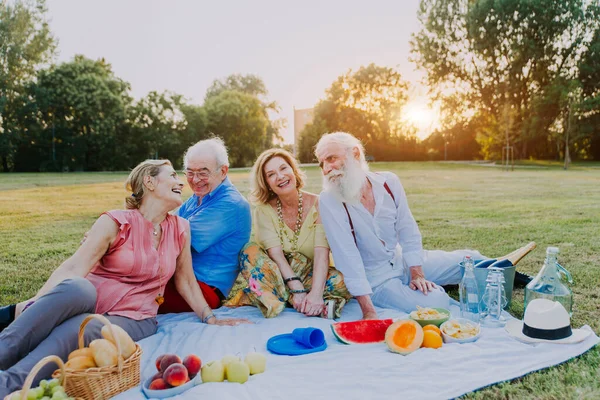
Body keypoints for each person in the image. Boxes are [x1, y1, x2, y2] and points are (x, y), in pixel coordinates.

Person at [0, 159, 248, 398]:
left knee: (87, 326)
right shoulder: (114, 221)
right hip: (93, 297)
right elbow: (74, 267)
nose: (181, 182)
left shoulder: (181, 228)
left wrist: (210, 317)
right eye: (172, 175)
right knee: (78, 287)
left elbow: (185, 280)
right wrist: (37, 302)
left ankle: (8, 383)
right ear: (149, 182)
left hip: (135, 316)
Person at [315, 132, 530, 320]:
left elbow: (407, 229)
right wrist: (368, 310)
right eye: (321, 163)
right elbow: (347, 257)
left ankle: (515, 277)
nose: (326, 169)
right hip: (379, 281)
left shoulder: (388, 182)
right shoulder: (329, 200)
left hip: (404, 261)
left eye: (331, 159)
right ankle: (447, 285)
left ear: (355, 154)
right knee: (436, 303)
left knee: (469, 258)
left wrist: (417, 272)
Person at [225, 149, 352, 318]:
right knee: (250, 252)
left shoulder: (321, 203)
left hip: (310, 274)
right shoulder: (263, 210)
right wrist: (297, 289)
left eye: (284, 168)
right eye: (271, 174)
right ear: (266, 183)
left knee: (341, 280)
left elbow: (322, 252)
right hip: (277, 273)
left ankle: (281, 298)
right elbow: (276, 255)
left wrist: (315, 293)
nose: (280, 176)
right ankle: (298, 300)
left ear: (293, 170)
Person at [158, 138, 251, 313]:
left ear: (223, 171)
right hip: (180, 279)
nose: (195, 180)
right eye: (190, 173)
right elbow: (165, 223)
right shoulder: (198, 197)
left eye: (203, 172)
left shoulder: (230, 204)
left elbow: (172, 237)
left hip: (203, 290)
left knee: (129, 293)